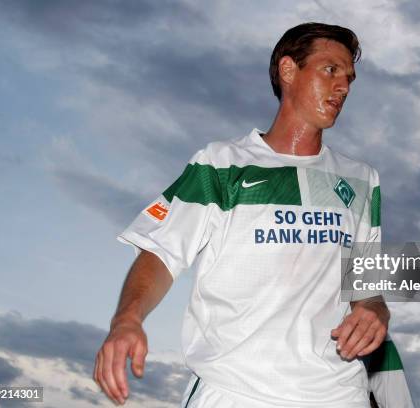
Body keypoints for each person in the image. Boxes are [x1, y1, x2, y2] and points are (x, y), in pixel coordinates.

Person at [94, 22, 392, 407]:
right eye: (330, 70)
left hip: (337, 395)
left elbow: (367, 288)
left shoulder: (362, 180)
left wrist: (373, 309)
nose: (344, 87)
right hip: (235, 391)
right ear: (288, 70)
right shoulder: (221, 164)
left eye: (349, 77)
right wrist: (127, 320)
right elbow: (160, 252)